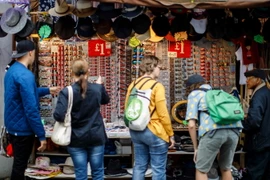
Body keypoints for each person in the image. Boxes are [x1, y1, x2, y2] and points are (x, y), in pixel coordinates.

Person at [4, 40, 60, 180]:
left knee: (18, 164)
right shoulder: (26, 76)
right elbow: (31, 109)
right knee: (19, 167)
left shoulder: (12, 71)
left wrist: (48, 90)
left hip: (13, 127)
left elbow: (23, 93)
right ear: (30, 53)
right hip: (23, 130)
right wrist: (41, 136)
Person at [53, 59, 110, 180]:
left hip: (76, 138)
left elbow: (58, 115)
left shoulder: (67, 92)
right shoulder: (97, 89)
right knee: (98, 172)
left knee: (80, 173)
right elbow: (106, 100)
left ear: (72, 73)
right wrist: (100, 85)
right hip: (96, 136)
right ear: (88, 71)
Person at [124, 55, 175, 180]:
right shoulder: (156, 86)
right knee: (158, 169)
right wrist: (170, 134)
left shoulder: (133, 84)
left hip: (136, 130)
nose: (159, 70)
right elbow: (163, 113)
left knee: (139, 166)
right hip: (154, 131)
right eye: (158, 67)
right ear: (152, 66)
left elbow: (127, 107)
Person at [185, 74, 242, 180]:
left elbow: (191, 125)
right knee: (226, 168)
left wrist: (196, 148)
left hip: (212, 133)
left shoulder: (195, 94)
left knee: (201, 170)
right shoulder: (220, 92)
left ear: (191, 87)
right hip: (234, 131)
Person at [242, 69, 270, 180]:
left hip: (260, 142)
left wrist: (240, 125)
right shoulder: (266, 92)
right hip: (266, 141)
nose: (247, 81)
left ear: (258, 80)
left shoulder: (259, 95)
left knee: (254, 174)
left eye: (249, 78)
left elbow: (254, 122)